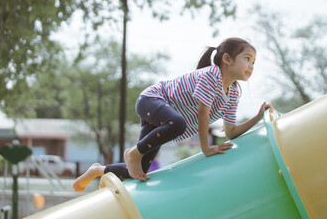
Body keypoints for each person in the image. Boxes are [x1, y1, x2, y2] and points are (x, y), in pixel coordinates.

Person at [73, 38, 273, 192]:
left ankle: (98, 170)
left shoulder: (233, 93)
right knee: (179, 123)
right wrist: (206, 149)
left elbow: (230, 132)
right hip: (151, 100)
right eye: (247, 59)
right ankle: (133, 152)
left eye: (254, 62)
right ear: (227, 59)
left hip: (164, 120)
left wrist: (257, 117)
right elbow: (203, 113)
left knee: (138, 172)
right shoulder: (211, 76)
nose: (251, 66)